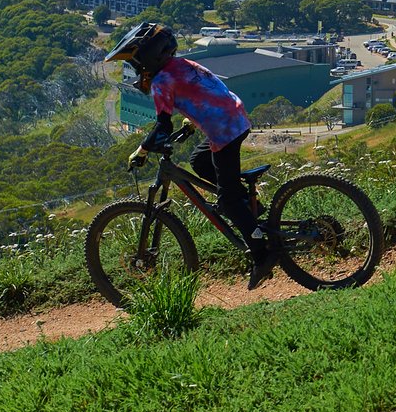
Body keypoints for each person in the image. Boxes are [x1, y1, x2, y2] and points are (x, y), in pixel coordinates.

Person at [107, 21, 276, 288]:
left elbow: (163, 126)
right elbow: (207, 92)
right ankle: (248, 205)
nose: (138, 70)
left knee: (227, 201)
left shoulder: (162, 81)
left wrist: (142, 151)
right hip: (235, 117)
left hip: (223, 131)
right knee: (199, 160)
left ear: (149, 59)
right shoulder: (184, 64)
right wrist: (191, 122)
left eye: (137, 64)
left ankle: (261, 253)